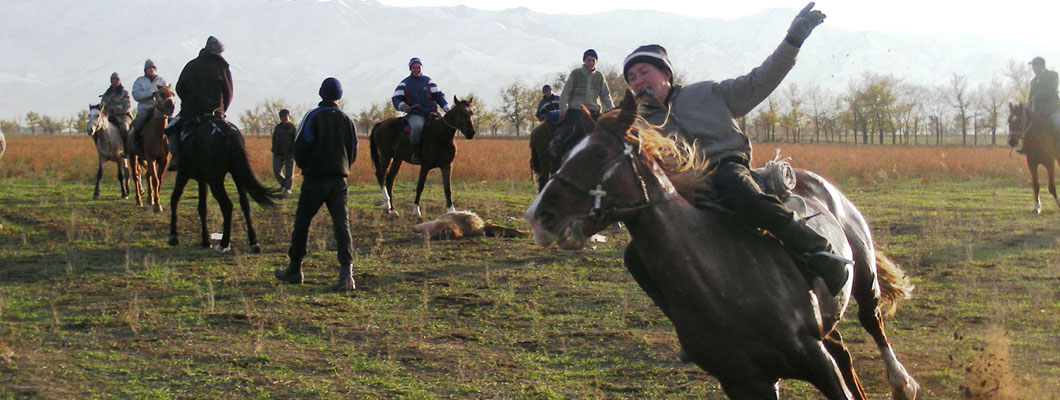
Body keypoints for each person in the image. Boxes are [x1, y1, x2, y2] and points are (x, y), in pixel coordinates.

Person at [621, 3, 848, 296]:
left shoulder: (707, 93)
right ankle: (686, 312)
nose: (638, 82)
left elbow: (760, 80)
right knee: (634, 255)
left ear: (666, 74)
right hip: (684, 192)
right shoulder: (640, 127)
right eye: (632, 79)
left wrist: (792, 41)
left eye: (643, 72)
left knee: (735, 186)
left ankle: (820, 254)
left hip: (727, 167)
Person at [275, 78, 358, 292]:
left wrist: (307, 167)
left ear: (321, 94)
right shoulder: (347, 119)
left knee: (302, 223)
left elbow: (300, 146)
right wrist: (342, 167)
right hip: (339, 180)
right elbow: (353, 150)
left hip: (314, 179)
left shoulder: (312, 116)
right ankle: (346, 274)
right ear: (339, 96)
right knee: (342, 225)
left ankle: (295, 268)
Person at [166, 36, 233, 171]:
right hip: (216, 112)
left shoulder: (192, 65)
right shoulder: (222, 67)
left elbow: (179, 88)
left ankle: (176, 158)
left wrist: (188, 102)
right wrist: (222, 110)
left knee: (171, 128)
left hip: (192, 112)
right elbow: (229, 92)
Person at [548, 49, 614, 157]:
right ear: (584, 60)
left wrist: (612, 109)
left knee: (606, 134)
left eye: (593, 60)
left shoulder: (599, 76)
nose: (591, 63)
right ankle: (556, 144)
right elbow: (566, 93)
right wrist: (563, 109)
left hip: (594, 112)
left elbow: (605, 95)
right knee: (572, 130)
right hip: (576, 111)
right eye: (589, 60)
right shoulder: (576, 74)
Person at [392, 57, 449, 164]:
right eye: (414, 67)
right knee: (417, 127)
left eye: (418, 67)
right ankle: (415, 153)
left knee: (444, 126)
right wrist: (402, 105)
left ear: (421, 68)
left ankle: (442, 153)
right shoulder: (404, 83)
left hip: (431, 112)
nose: (416, 69)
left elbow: (438, 96)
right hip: (415, 114)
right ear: (410, 69)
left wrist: (446, 107)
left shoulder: (429, 81)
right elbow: (396, 98)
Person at [130, 59, 168, 155]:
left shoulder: (161, 80)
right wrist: (151, 94)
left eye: (153, 68)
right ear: (145, 70)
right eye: (149, 68)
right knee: (140, 120)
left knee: (170, 122)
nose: (151, 70)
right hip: (145, 107)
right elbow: (136, 94)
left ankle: (169, 146)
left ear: (155, 69)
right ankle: (136, 143)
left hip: (159, 108)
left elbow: (167, 93)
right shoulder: (139, 81)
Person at [100, 72, 132, 157]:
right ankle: (101, 149)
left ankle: (127, 150)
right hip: (109, 116)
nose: (115, 81)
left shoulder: (125, 93)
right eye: (113, 79)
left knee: (124, 128)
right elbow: (102, 106)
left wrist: (113, 108)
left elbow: (126, 107)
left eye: (117, 79)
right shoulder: (106, 94)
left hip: (123, 116)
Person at [1028, 57, 1060, 133]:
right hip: (1037, 112)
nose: (1033, 68)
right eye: (1032, 66)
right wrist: (1027, 104)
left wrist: (1035, 97)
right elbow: (1030, 96)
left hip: (1053, 110)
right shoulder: (1033, 82)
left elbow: (1052, 89)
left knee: (1058, 124)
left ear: (1042, 65)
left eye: (1035, 65)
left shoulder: (1053, 75)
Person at [271, 109, 297, 193]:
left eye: (285, 116)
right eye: (282, 116)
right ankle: (283, 185)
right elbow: (274, 139)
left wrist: (294, 151)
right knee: (276, 170)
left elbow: (296, 140)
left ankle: (288, 189)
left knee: (289, 173)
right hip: (278, 152)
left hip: (290, 153)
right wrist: (274, 149)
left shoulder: (292, 128)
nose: (284, 118)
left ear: (288, 116)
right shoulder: (277, 127)